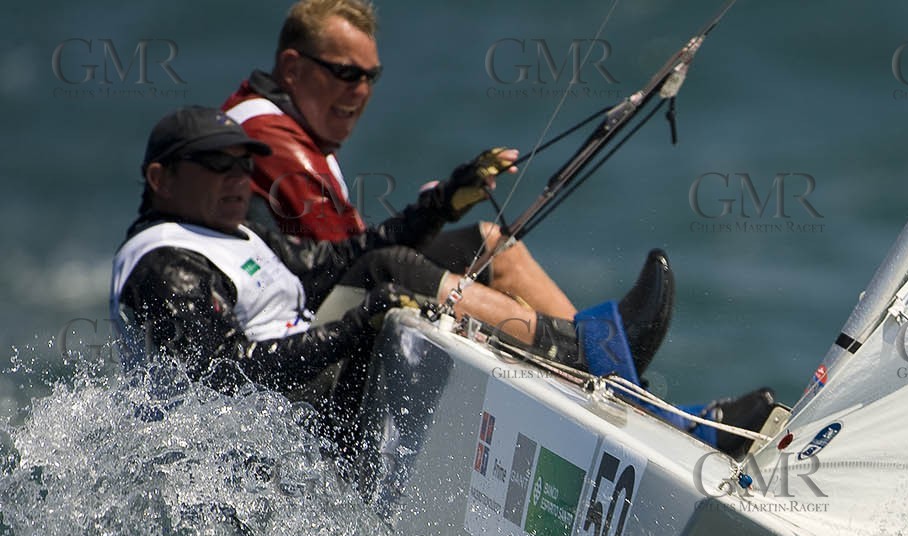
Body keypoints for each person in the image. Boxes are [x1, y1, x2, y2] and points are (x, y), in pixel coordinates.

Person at [110, 106, 671, 453]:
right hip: (292, 433)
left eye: (242, 166)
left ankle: (640, 397)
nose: (237, 180)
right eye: (217, 167)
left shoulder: (234, 230)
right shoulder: (164, 265)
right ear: (160, 178)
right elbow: (222, 377)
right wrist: (358, 325)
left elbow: (334, 263)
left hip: (321, 384)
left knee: (473, 246)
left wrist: (441, 204)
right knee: (388, 275)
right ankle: (595, 356)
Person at [222, 0, 597, 327]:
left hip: (316, 292)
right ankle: (589, 351)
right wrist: (435, 210)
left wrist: (434, 211)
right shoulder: (270, 138)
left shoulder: (288, 123)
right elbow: (349, 260)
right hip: (298, 333)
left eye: (372, 77)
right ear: (292, 69)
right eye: (348, 74)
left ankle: (600, 353)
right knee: (415, 263)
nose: (362, 91)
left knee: (493, 246)